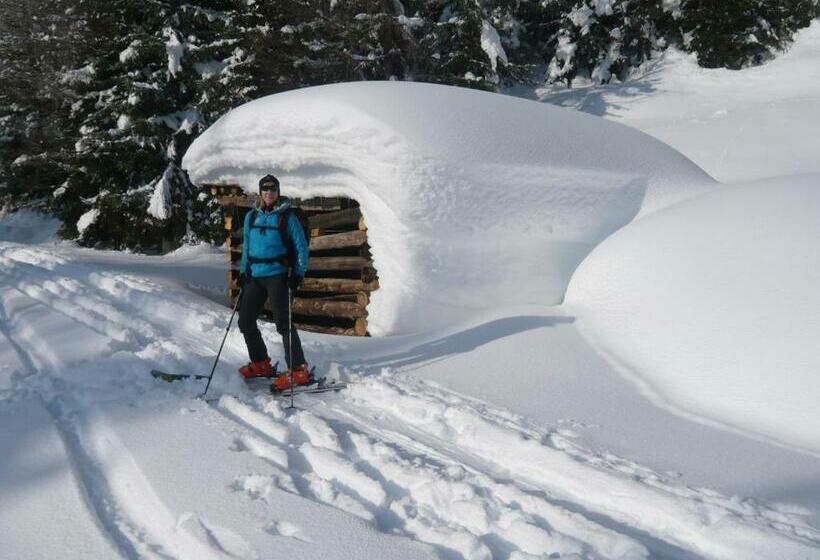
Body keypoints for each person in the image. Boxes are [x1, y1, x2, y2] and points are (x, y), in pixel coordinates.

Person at [237, 174, 312, 391]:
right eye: (265, 189)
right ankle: (261, 363)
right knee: (245, 321)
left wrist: (298, 274)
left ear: (278, 192)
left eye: (273, 189)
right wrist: (243, 272)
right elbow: (246, 247)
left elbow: (301, 247)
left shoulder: (287, 217)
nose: (269, 193)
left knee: (283, 323)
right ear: (260, 191)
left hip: (278, 276)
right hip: (255, 276)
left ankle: (298, 370)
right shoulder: (251, 217)